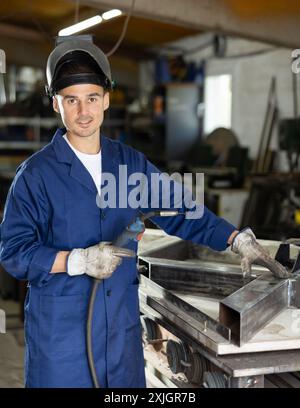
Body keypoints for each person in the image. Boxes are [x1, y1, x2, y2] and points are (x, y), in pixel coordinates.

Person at [0, 36, 289, 388]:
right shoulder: (36, 175)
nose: (83, 111)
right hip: (61, 343)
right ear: (55, 104)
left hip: (120, 339)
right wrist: (75, 261)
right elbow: (14, 253)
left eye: (92, 98)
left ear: (106, 99)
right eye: (71, 101)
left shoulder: (128, 164)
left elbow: (178, 209)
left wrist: (234, 238)